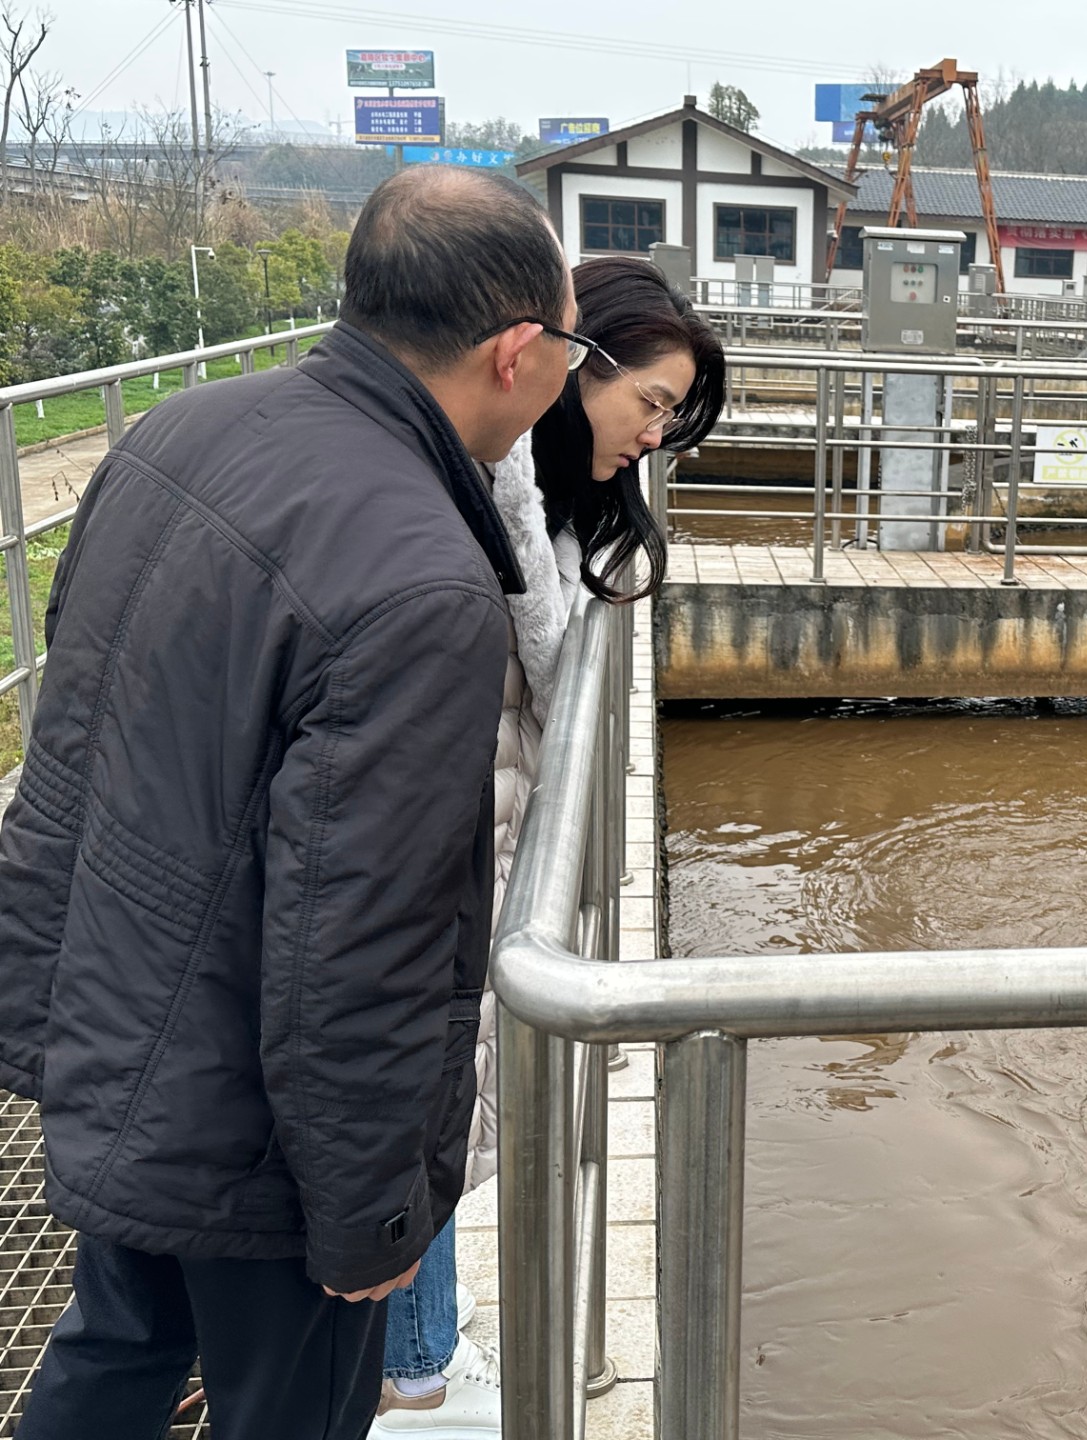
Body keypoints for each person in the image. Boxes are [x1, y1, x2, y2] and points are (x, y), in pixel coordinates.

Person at [0, 165, 577, 1439]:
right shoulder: (425, 577)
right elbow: (363, 934)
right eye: (570, 349)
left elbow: (71, 746)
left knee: (114, 1350)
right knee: (293, 1410)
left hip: (120, 1030)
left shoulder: (176, 434)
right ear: (516, 352)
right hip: (266, 1133)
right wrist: (368, 1212)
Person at [370, 254, 725, 1437]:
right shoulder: (466, 507)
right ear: (572, 364)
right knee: (406, 1116)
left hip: (462, 866)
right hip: (420, 881)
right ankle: (414, 1373)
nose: (657, 436)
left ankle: (417, 1346)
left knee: (423, 1117)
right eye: (653, 403)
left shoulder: (537, 505)